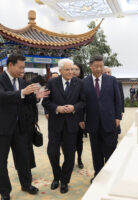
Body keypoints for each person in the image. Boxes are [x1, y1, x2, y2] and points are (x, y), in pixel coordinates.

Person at [0, 54, 49, 200]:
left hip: (20, 127)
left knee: (23, 157)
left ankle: (26, 184)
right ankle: (5, 191)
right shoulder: (1, 79)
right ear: (10, 65)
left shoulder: (21, 81)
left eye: (24, 67)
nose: (23, 70)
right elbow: (2, 97)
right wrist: (23, 92)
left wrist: (35, 97)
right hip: (3, 128)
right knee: (1, 162)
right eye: (20, 67)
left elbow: (24, 100)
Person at [42, 59, 85, 194]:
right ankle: (57, 176)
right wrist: (57, 108)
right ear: (60, 71)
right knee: (52, 152)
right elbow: (46, 102)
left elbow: (83, 102)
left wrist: (74, 107)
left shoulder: (79, 83)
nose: (71, 72)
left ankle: (65, 181)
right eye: (67, 70)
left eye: (72, 69)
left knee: (70, 156)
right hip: (55, 125)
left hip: (71, 126)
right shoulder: (51, 82)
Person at [80, 55, 122, 183]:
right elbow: (82, 102)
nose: (99, 69)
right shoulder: (84, 82)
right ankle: (98, 175)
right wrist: (81, 118)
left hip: (109, 121)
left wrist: (117, 116)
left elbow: (118, 100)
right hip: (92, 123)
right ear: (90, 66)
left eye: (101, 66)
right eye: (96, 66)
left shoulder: (112, 80)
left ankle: (110, 176)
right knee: (96, 152)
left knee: (110, 150)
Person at [103, 66, 124, 134]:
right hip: (105, 109)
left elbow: (121, 97)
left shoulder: (117, 82)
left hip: (115, 107)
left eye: (109, 72)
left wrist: (121, 110)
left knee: (116, 123)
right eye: (105, 72)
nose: (107, 74)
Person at [72, 63, 85, 169]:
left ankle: (79, 159)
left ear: (81, 71)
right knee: (67, 141)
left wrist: (82, 118)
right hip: (67, 116)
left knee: (79, 140)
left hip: (79, 117)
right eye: (73, 69)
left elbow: (84, 102)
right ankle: (69, 159)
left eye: (77, 69)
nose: (74, 71)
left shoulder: (83, 83)